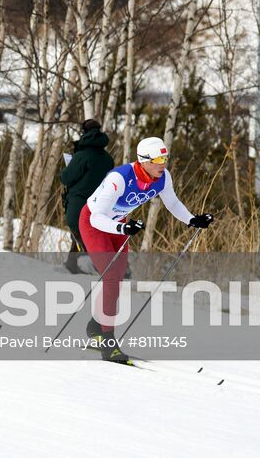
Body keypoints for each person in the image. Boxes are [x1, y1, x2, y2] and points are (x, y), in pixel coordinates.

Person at [80, 135, 214, 362]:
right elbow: (96, 218)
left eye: (165, 159)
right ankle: (108, 343)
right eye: (158, 160)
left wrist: (192, 220)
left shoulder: (162, 177)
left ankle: (95, 328)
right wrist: (122, 229)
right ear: (143, 161)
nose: (163, 165)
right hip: (95, 224)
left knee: (117, 277)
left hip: (119, 225)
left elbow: (171, 203)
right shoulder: (119, 179)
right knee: (111, 277)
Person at [60, 120, 113, 273]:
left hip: (78, 206)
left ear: (84, 133)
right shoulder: (107, 159)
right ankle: (72, 265)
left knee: (81, 236)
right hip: (99, 206)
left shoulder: (81, 156)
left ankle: (97, 269)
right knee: (84, 235)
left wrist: (73, 161)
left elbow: (66, 178)